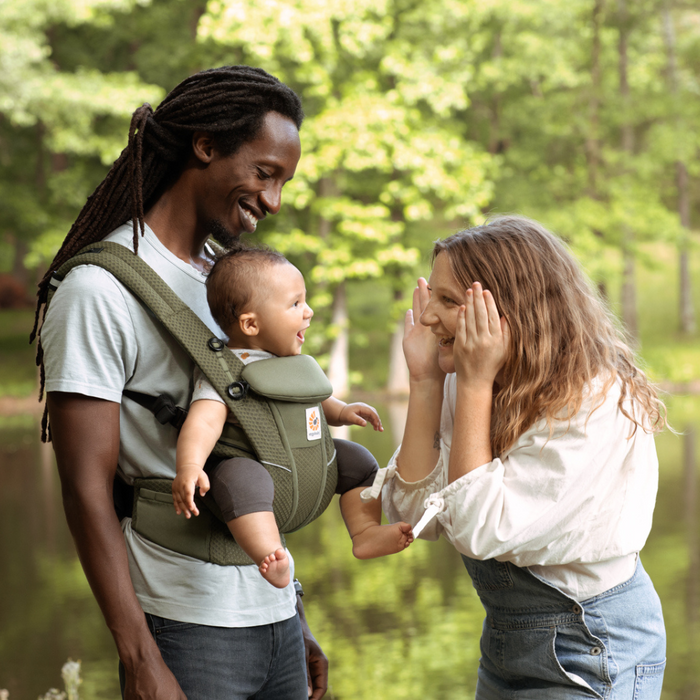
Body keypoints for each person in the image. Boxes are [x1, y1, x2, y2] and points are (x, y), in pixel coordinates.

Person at [34, 66, 330, 700]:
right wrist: (140, 658)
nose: (273, 202)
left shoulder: (237, 285)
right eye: (264, 173)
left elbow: (257, 448)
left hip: (274, 620)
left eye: (283, 182)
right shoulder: (100, 291)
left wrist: (295, 617)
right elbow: (86, 490)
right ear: (206, 145)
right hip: (188, 633)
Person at [373, 215, 667, 697]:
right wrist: (426, 383)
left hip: (590, 646)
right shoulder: (471, 378)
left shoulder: (592, 401)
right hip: (508, 643)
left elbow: (476, 529)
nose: (427, 318)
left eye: (448, 302)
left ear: (509, 310)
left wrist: (471, 384)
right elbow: (412, 517)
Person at [172, 244, 414, 588]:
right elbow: (204, 421)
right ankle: (271, 554)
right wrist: (190, 466)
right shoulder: (227, 370)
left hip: (306, 463)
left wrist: (343, 411)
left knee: (359, 462)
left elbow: (313, 399)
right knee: (241, 480)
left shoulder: (292, 363)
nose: (309, 312)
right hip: (257, 464)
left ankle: (365, 532)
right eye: (295, 304)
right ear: (251, 324)